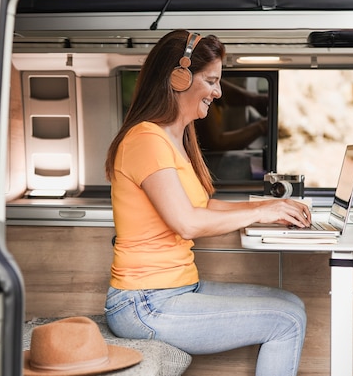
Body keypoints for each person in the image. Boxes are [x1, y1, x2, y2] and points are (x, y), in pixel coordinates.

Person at [104, 29, 311, 376]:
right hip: (144, 303)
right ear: (179, 77)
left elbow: (204, 207)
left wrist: (267, 210)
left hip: (176, 288)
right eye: (212, 81)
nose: (218, 92)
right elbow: (187, 222)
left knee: (292, 304)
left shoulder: (174, 139)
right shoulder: (146, 139)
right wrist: (263, 210)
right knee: (285, 320)